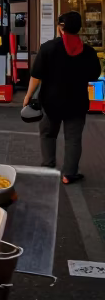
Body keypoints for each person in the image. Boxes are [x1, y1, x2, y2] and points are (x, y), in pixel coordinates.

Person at [24, 11, 100, 185]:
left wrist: (28, 96)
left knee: (48, 135)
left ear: (60, 29)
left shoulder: (48, 48)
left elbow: (36, 75)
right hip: (77, 102)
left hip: (51, 102)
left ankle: (47, 168)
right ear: (79, 29)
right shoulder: (88, 51)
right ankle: (69, 174)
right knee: (73, 138)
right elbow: (95, 75)